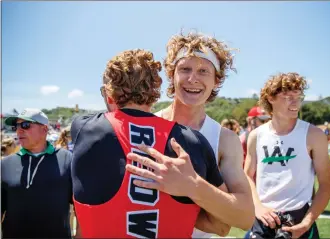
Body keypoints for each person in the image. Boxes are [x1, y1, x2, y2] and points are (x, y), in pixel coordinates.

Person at [71, 49, 227, 238]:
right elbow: (221, 226)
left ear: (110, 93)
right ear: (155, 91)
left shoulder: (85, 128)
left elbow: (112, 115)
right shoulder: (194, 141)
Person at [126, 31, 255, 238]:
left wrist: (192, 186)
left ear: (216, 80)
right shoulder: (144, 125)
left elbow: (245, 217)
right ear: (171, 74)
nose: (193, 79)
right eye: (185, 69)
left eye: (204, 71)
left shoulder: (225, 139)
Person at [244, 72, 330, 239]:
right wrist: (258, 207)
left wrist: (306, 223)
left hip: (299, 221)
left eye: (298, 97)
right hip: (263, 218)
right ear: (271, 98)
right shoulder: (256, 136)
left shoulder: (314, 135)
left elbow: (326, 185)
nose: (296, 103)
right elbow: (247, 176)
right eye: (288, 97)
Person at [1, 108, 75, 238]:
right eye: (16, 126)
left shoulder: (68, 160)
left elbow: (80, 207)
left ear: (44, 129)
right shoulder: (4, 165)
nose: (19, 130)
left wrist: (79, 234)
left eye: (25, 125)